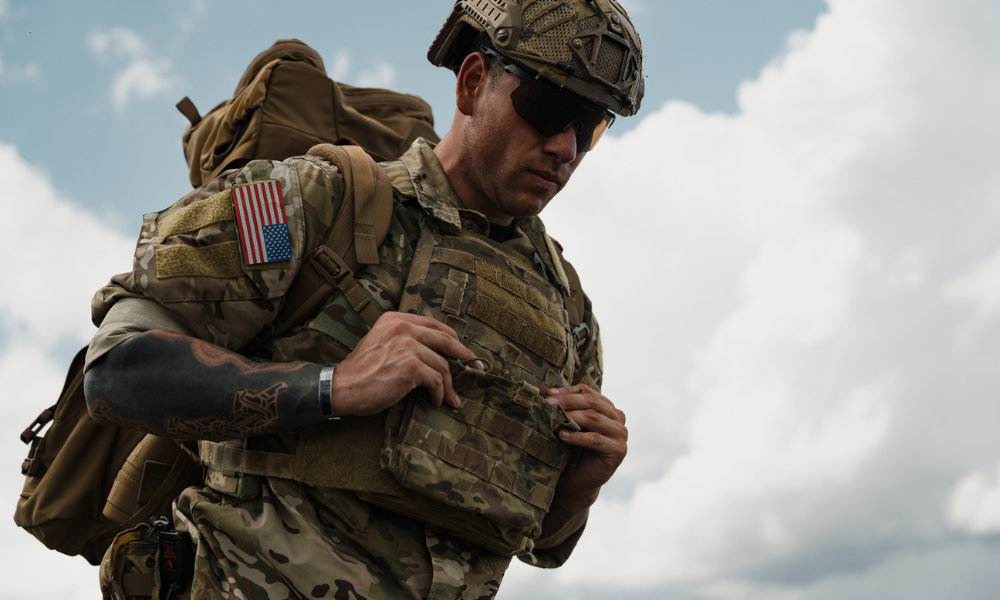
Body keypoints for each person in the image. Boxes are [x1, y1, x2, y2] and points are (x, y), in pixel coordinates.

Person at [84, 1, 644, 598]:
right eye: (549, 107)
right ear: (474, 82)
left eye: (591, 125)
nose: (565, 146)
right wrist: (333, 386)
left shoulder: (567, 314)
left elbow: (536, 540)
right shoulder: (306, 204)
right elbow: (118, 371)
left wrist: (581, 487)